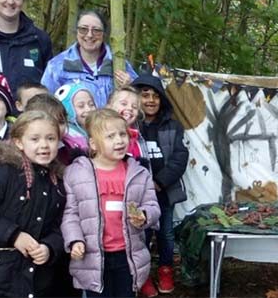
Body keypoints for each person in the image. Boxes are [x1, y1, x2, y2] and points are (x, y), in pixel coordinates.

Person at [0, 111, 67, 297]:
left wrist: (50, 247)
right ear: (19, 142)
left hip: (38, 280)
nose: (44, 145)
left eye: (50, 138)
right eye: (34, 139)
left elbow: (60, 225)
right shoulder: (4, 170)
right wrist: (14, 235)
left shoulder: (57, 180)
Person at [62, 109, 161, 297]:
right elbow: (70, 213)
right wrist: (74, 240)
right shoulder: (76, 173)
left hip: (128, 254)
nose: (119, 140)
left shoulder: (139, 173)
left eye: (122, 134)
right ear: (93, 144)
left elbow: (153, 205)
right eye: (110, 136)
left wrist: (145, 215)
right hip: (93, 256)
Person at [132, 74, 190, 297]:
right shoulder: (129, 126)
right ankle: (143, 275)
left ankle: (166, 269)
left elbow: (179, 157)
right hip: (137, 195)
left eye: (156, 96)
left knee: (165, 234)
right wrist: (144, 185)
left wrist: (159, 181)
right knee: (141, 236)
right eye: (145, 95)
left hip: (163, 193)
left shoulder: (172, 126)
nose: (150, 100)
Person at [41, 10, 137, 107]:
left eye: (96, 30)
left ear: (104, 34)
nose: (90, 35)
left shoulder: (118, 62)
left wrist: (131, 86)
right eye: (83, 29)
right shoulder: (57, 65)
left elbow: (140, 100)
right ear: (76, 32)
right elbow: (45, 104)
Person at [24, 93, 86, 165]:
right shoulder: (23, 158)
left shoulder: (70, 148)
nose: (57, 127)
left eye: (61, 122)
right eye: (51, 122)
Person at [105, 85, 147, 159]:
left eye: (134, 107)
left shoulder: (138, 137)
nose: (130, 108)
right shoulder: (102, 135)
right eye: (124, 104)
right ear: (109, 107)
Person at [56, 81, 98, 151]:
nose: (88, 109)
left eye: (91, 104)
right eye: (81, 106)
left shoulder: (99, 128)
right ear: (67, 109)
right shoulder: (66, 135)